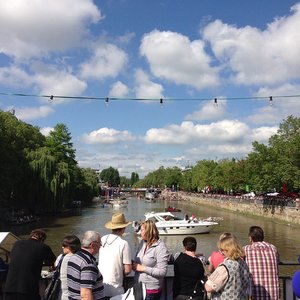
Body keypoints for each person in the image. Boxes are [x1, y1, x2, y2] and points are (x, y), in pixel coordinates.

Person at [4, 229, 56, 300]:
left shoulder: (17, 243)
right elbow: (52, 260)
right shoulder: (43, 247)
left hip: (9, 287)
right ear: (42, 239)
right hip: (28, 289)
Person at [133, 220, 169, 300]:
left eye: (142, 230)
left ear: (148, 231)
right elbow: (138, 261)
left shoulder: (160, 247)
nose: (140, 232)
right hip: (139, 287)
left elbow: (162, 272)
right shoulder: (142, 243)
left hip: (151, 290)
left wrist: (143, 268)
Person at [205, 234, 250, 299]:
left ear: (229, 250)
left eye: (222, 250)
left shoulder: (225, 267)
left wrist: (209, 278)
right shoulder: (243, 263)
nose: (221, 252)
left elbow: (208, 287)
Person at [98, 213, 132, 298]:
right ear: (123, 228)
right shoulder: (123, 243)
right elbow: (127, 270)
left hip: (100, 285)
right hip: (115, 289)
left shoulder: (103, 239)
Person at [244, 226, 280, 300]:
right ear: (263, 237)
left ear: (250, 238)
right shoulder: (273, 248)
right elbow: (278, 261)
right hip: (274, 294)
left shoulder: (246, 249)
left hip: (254, 294)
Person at [67, 231, 104, 300]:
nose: (100, 246)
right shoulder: (88, 264)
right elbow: (85, 294)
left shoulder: (74, 257)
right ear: (93, 245)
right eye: (100, 243)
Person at [59, 235, 81, 300]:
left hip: (64, 293)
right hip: (75, 295)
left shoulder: (61, 257)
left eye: (64, 245)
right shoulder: (79, 258)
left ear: (70, 247)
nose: (62, 247)